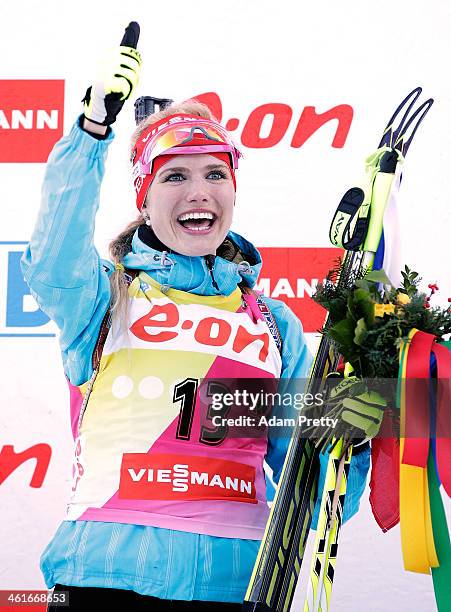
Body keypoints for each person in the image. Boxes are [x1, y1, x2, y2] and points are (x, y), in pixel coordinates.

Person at [21, 23, 370, 611]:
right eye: (175, 175)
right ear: (145, 197)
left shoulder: (272, 323)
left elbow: (304, 489)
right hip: (106, 579)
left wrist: (352, 441)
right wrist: (91, 130)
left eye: (215, 174)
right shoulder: (106, 297)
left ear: (233, 190)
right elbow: (52, 259)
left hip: (236, 586)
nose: (198, 191)